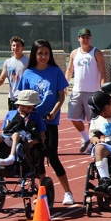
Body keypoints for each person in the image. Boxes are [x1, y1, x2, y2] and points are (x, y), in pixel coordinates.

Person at [18, 39, 75, 205]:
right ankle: (42, 192)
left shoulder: (55, 71)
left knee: (53, 156)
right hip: (33, 122)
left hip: (49, 123)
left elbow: (61, 96)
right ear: (34, 54)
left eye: (46, 53)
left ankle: (68, 192)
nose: (43, 56)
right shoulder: (28, 74)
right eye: (40, 53)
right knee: (37, 159)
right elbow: (22, 98)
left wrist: (53, 113)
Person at [65, 28, 107, 154]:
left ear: (91, 38)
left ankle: (93, 145)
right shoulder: (74, 53)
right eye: (83, 37)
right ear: (79, 39)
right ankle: (85, 138)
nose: (85, 39)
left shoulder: (96, 52)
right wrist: (64, 84)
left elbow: (103, 71)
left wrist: (103, 88)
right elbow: (69, 70)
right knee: (73, 117)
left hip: (92, 91)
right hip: (77, 91)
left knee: (92, 121)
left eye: (87, 37)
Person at [0, 89, 46, 167]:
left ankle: (11, 157)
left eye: (30, 107)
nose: (26, 109)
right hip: (7, 137)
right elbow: (4, 131)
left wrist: (32, 142)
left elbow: (43, 136)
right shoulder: (11, 114)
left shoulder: (36, 116)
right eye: (23, 106)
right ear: (19, 104)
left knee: (15, 135)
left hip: (23, 140)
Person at [0, 36, 29, 111]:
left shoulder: (28, 61)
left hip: (23, 97)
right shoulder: (8, 62)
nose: (15, 47)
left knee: (22, 120)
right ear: (11, 47)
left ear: (22, 47)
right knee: (12, 119)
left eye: (18, 46)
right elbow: (2, 78)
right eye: (13, 45)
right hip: (12, 97)